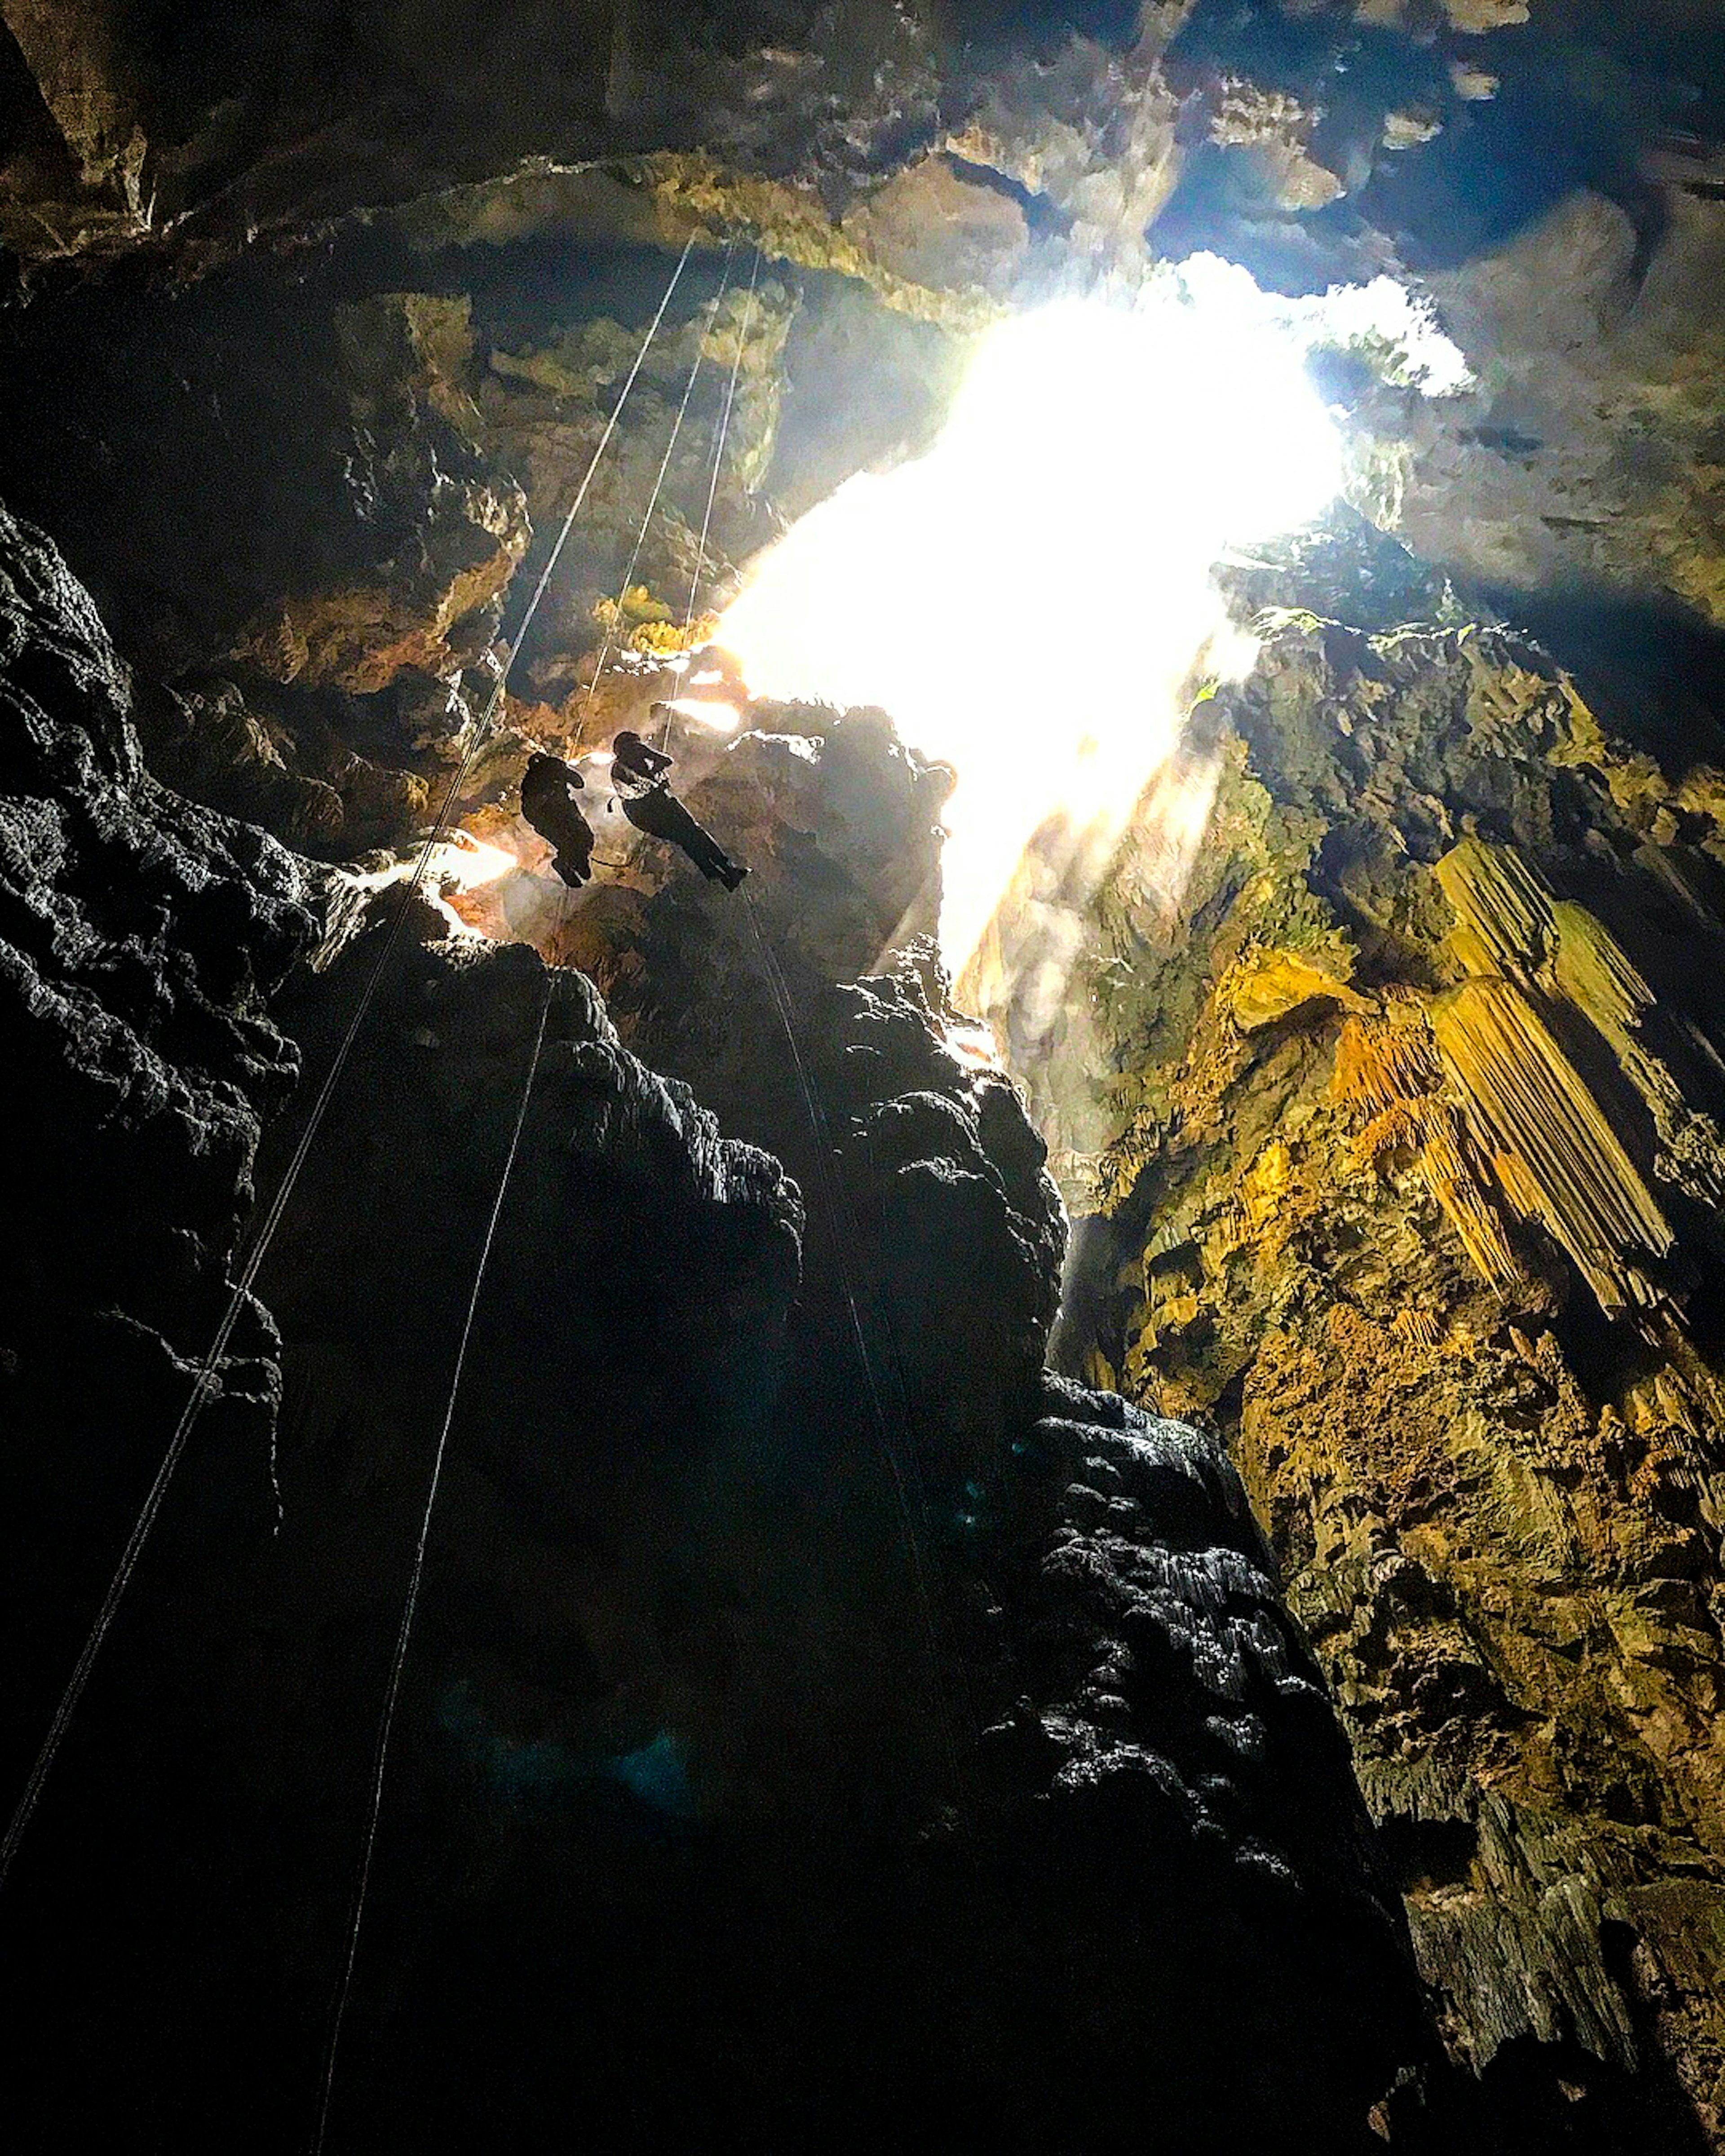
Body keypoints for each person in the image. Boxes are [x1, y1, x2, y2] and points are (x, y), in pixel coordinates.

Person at [611, 722, 748, 891]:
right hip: (658, 805)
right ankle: (728, 869)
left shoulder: (616, 769)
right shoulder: (634, 749)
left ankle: (716, 874)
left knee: (685, 839)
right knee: (695, 832)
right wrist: (656, 772)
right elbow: (666, 761)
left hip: (639, 816)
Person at [519, 750, 596, 888]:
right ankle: (572, 864)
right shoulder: (552, 767)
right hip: (555, 814)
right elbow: (579, 783)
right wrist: (564, 775)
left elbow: (528, 808)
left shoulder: (530, 780)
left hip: (543, 819)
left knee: (569, 843)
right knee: (583, 837)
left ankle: (576, 864)